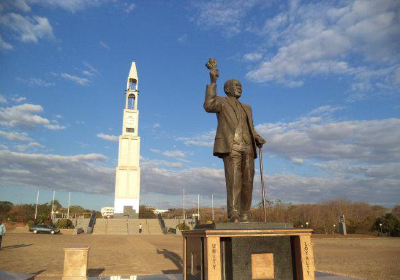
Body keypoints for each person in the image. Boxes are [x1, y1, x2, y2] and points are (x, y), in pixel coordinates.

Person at [204, 58, 266, 222]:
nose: (239, 88)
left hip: (248, 147)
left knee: (248, 181)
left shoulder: (247, 107)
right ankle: (234, 214)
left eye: (241, 86)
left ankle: (245, 213)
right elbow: (208, 105)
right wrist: (212, 81)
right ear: (227, 89)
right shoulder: (221, 102)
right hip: (231, 146)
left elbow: (250, 127)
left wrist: (257, 137)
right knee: (234, 181)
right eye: (236, 86)